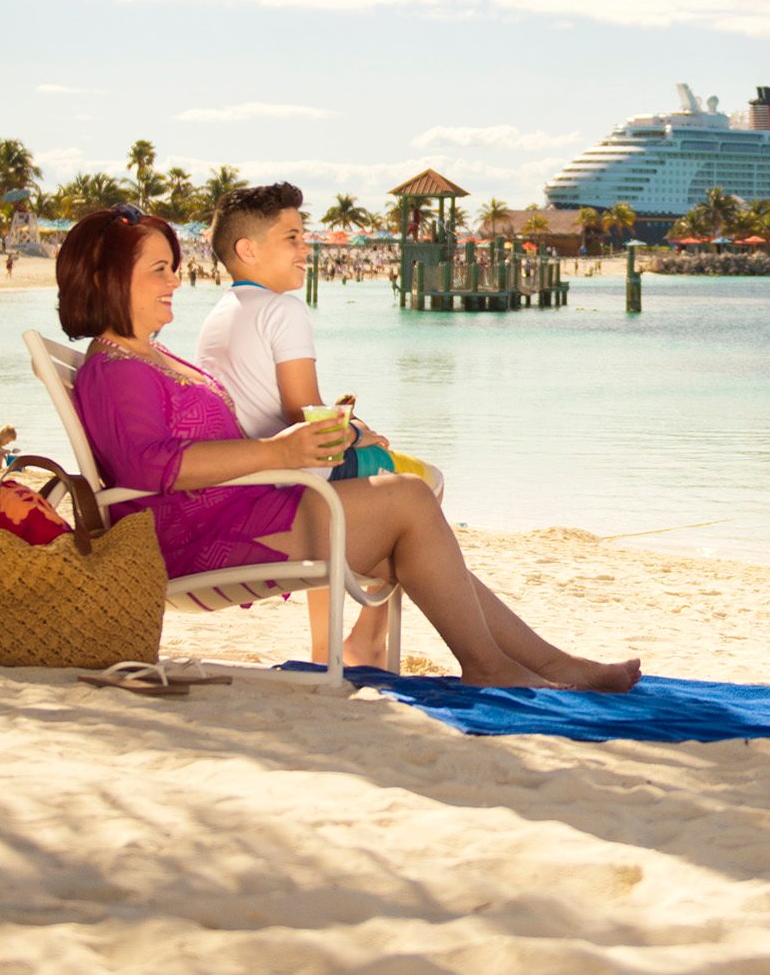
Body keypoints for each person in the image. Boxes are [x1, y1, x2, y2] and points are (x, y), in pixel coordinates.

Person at [63, 205, 635, 690]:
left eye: (173, 268)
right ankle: (489, 666)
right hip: (197, 535)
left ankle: (552, 665)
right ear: (110, 278)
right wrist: (278, 454)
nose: (174, 282)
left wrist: (297, 450)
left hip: (237, 509)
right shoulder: (115, 369)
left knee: (407, 544)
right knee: (409, 497)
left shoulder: (151, 357)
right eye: (159, 270)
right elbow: (150, 465)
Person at [197, 182, 434, 669]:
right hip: (295, 483)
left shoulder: (220, 314)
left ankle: (329, 648)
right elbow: (303, 413)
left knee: (370, 492)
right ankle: (366, 638)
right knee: (424, 480)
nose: (307, 248)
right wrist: (359, 430)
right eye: (293, 238)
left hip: (251, 479)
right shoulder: (285, 309)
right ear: (248, 249)